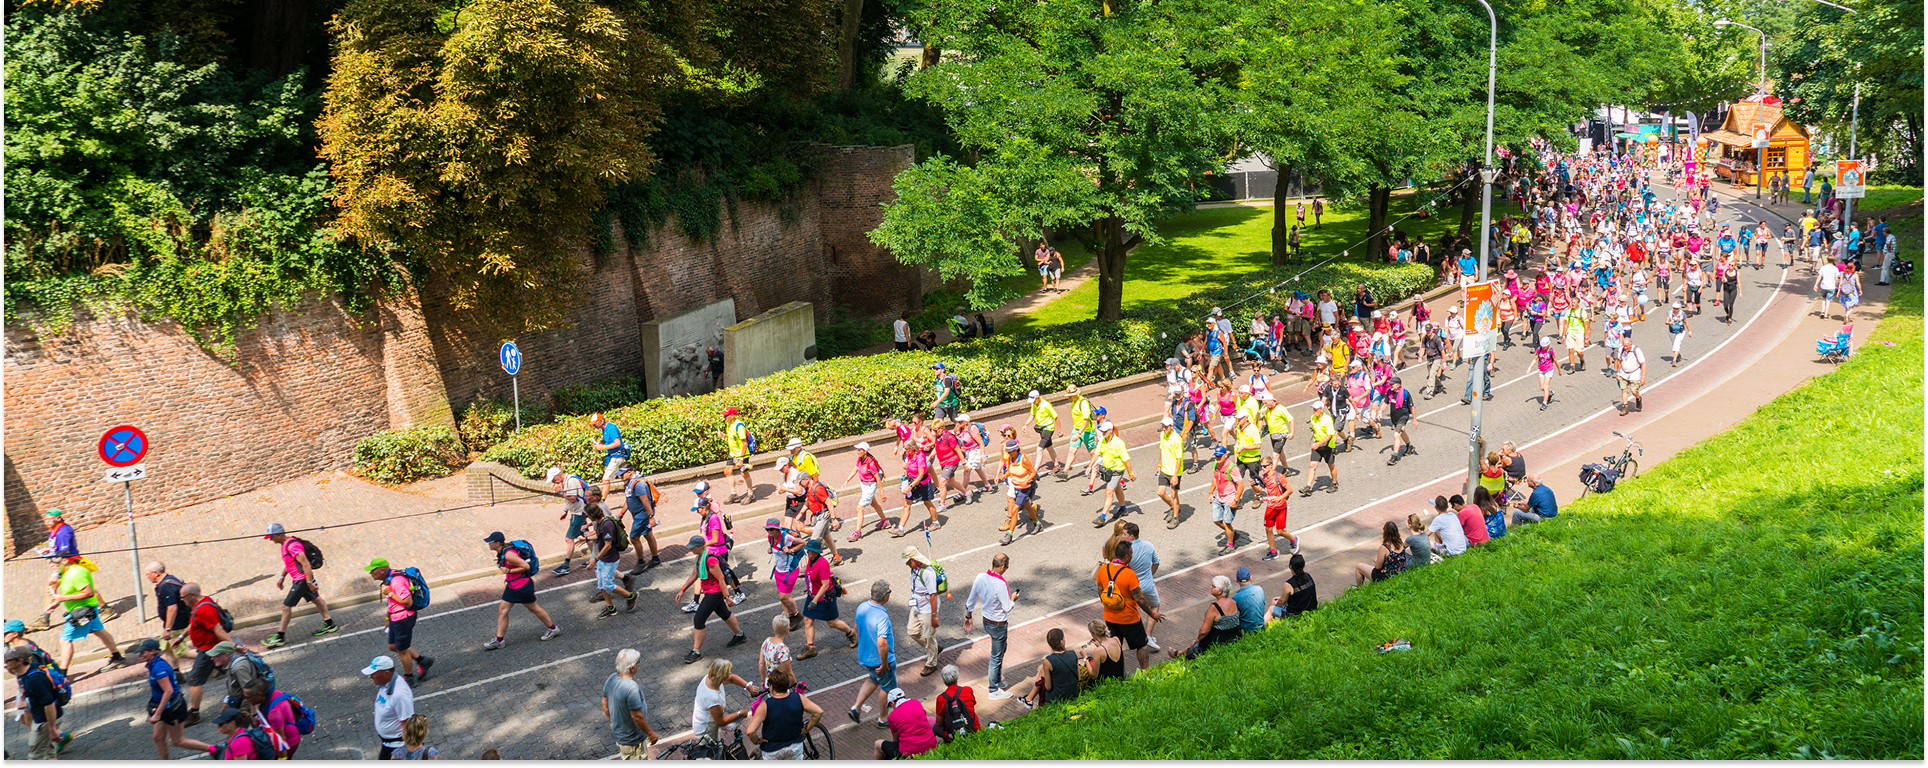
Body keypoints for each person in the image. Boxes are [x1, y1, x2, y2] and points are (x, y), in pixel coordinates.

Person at [257, 525, 337, 650]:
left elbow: (305, 564)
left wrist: (309, 583)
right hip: (300, 579)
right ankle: (330, 623)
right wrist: (282, 577)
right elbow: (289, 563)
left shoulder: (293, 546)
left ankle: (280, 637)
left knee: (285, 607)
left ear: (279, 535)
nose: (270, 540)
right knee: (316, 599)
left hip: (302, 580)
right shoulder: (284, 546)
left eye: (271, 537)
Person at [674, 532, 747, 664]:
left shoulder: (710, 559)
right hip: (709, 591)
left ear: (700, 547)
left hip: (715, 592)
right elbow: (694, 575)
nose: (690, 549)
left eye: (692, 547)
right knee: (724, 614)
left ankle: (696, 651)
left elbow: (721, 579)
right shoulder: (699, 557)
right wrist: (682, 590)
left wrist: (727, 597)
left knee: (699, 619)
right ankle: (740, 635)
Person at [45, 555, 126, 674]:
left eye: (54, 561)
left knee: (65, 640)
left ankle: (62, 675)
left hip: (83, 614)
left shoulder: (75, 574)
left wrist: (62, 597)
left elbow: (88, 593)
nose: (52, 564)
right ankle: (117, 658)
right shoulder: (65, 574)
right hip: (90, 611)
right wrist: (56, 602)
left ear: (65, 560)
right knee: (100, 631)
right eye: (50, 562)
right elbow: (71, 594)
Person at [481, 532, 560, 649]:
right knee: (503, 611)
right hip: (513, 586)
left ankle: (553, 629)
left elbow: (525, 566)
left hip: (521, 586)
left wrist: (508, 571)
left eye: (490, 542)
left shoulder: (509, 555)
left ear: (497, 543)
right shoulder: (502, 551)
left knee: (534, 609)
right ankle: (499, 640)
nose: (488, 544)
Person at [1095, 540, 1163, 673]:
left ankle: (1121, 673)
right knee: (1142, 645)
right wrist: (1152, 613)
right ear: (1126, 557)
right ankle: (1145, 673)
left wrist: (1109, 603)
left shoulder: (1103, 569)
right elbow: (1140, 599)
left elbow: (1099, 590)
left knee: (1115, 645)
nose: (1132, 555)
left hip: (1109, 617)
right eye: (1131, 553)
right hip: (1129, 618)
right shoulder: (1129, 574)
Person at [139, 638, 213, 759]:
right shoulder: (155, 664)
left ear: (152, 652)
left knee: (178, 741)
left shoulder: (158, 668)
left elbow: (168, 691)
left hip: (172, 708)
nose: (140, 655)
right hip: (163, 706)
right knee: (158, 738)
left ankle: (213, 749)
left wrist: (157, 714)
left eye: (143, 652)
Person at [367, 559, 433, 682]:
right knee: (393, 646)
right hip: (395, 617)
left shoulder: (396, 582)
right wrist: (388, 618)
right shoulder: (389, 579)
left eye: (372, 570)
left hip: (403, 618)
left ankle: (409, 678)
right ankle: (423, 661)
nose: (370, 573)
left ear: (381, 571)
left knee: (402, 649)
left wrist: (390, 593)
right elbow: (391, 602)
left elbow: (408, 602)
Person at [962, 554, 1018, 698]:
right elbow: (1007, 607)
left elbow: (972, 598)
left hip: (986, 621)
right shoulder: (1000, 584)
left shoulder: (980, 577)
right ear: (1002, 567)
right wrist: (1013, 599)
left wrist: (968, 616)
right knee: (996, 656)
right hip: (998, 624)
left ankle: (997, 679)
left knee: (1001, 649)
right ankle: (993, 689)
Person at [797, 539, 858, 658]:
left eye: (810, 550)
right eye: (807, 549)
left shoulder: (822, 564)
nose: (808, 552)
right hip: (812, 596)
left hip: (823, 599)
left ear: (817, 551)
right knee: (807, 621)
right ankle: (810, 648)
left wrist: (814, 601)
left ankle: (851, 633)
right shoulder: (811, 560)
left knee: (832, 623)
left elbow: (825, 585)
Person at [7, 645, 69, 760]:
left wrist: (52, 729)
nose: (6, 662)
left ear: (20, 661)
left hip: (44, 721)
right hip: (43, 718)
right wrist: (23, 699)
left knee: (35, 757)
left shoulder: (35, 679)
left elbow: (49, 704)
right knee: (50, 753)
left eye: (9, 660)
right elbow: (27, 687)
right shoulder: (30, 669)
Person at [747, 668, 821, 760]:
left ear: (772, 687)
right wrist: (806, 729)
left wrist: (758, 740)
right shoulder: (799, 698)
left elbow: (750, 731)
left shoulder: (765, 706)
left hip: (772, 750)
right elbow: (818, 712)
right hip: (795, 747)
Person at [851, 581, 897, 728]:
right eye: (889, 591)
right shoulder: (882, 616)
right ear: (884, 597)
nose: (890, 593)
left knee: (873, 679)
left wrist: (863, 646)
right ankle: (884, 719)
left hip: (866, 657)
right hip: (880, 660)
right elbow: (882, 643)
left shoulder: (861, 607)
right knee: (887, 688)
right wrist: (884, 664)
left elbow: (855, 629)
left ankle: (856, 707)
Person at [603, 649, 661, 760]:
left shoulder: (611, 678)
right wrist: (650, 734)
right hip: (633, 742)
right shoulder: (631, 687)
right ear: (632, 668)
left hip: (621, 737)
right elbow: (637, 716)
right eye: (638, 662)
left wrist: (611, 721)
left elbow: (604, 703)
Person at [587, 504, 638, 619]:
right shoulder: (601, 523)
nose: (587, 518)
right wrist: (586, 539)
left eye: (587, 516)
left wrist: (595, 559)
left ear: (591, 515)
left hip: (609, 560)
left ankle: (630, 596)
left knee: (607, 585)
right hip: (603, 559)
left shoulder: (606, 525)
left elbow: (608, 545)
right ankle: (611, 608)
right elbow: (600, 537)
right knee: (602, 584)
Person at [1172, 575, 1242, 660]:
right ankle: (1180, 653)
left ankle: (1179, 654)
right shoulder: (1233, 602)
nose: (1211, 587)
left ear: (1220, 591)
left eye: (1213, 586)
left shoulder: (1214, 607)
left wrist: (1197, 640)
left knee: (1194, 645)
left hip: (1217, 641)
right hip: (1233, 637)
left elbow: (1203, 632)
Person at [901, 547, 945, 677]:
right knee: (912, 631)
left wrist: (934, 615)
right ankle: (934, 648)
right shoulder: (914, 569)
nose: (907, 564)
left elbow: (933, 595)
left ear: (915, 559)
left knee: (928, 636)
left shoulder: (928, 573)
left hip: (927, 608)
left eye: (908, 561)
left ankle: (931, 663)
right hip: (917, 605)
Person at [1120, 523, 1163, 651]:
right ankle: (1148, 635)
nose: (1122, 536)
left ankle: (1135, 637)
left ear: (1132, 536)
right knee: (1154, 606)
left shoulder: (1125, 550)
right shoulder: (1148, 545)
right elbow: (1156, 562)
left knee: (1134, 611)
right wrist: (1150, 574)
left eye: (1124, 534)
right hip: (1148, 585)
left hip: (1133, 587)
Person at [691, 659, 756, 745]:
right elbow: (720, 721)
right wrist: (739, 713)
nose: (730, 675)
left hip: (708, 723)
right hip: (706, 730)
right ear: (722, 677)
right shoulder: (712, 697)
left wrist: (748, 686)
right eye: (728, 674)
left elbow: (732, 678)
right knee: (714, 753)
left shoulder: (711, 677)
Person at [1086, 422, 1136, 527]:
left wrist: (1130, 473)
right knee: (1117, 489)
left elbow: (1126, 459)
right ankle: (1123, 509)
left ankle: (1102, 517)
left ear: (1110, 431)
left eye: (1104, 431)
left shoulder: (1118, 443)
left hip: (1117, 471)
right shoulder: (1103, 441)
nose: (1102, 433)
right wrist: (1090, 466)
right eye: (1101, 431)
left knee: (1109, 492)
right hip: (1108, 470)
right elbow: (1097, 453)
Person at [1015, 628, 1081, 708]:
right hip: (1074, 694)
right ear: (1061, 641)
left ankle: (1029, 699)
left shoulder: (1048, 661)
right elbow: (1079, 678)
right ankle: (1028, 699)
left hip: (1057, 698)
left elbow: (1048, 687)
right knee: (1044, 671)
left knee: (1043, 674)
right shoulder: (1073, 654)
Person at [998, 439, 1044, 545]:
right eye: (1008, 452)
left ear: (1016, 449)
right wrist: (1005, 475)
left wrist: (1026, 481)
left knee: (1014, 510)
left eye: (1011, 452)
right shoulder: (1010, 459)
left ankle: (1009, 535)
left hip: (1025, 488)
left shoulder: (1023, 459)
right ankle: (1037, 524)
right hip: (1016, 487)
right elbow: (1010, 470)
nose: (1009, 454)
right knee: (1028, 507)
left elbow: (1032, 472)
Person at [241, 679, 300, 759]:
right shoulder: (274, 693)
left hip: (288, 743)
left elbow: (280, 741)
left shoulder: (274, 714)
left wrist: (282, 758)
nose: (246, 700)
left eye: (247, 698)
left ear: (258, 695)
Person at [145, 561, 190, 665]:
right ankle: (176, 674)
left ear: (155, 573)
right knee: (166, 648)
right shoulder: (169, 579)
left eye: (148, 574)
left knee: (180, 652)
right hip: (172, 622)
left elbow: (172, 608)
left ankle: (209, 660)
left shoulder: (166, 586)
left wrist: (168, 628)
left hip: (176, 624)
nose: (147, 577)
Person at [619, 469, 663, 575]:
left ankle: (640, 562)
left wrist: (650, 517)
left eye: (622, 474)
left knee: (634, 538)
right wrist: (621, 513)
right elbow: (628, 499)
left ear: (629, 472)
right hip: (638, 515)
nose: (620, 477)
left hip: (642, 515)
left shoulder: (638, 484)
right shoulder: (629, 483)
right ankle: (655, 559)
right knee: (648, 534)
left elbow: (645, 501)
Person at [874, 688, 938, 759]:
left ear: (892, 702)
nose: (892, 708)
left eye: (890, 706)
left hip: (910, 752)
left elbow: (896, 740)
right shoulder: (916, 702)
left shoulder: (892, 716)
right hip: (932, 745)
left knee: (878, 744)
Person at [844, 442, 890, 540]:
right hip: (863, 484)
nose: (857, 452)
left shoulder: (870, 462)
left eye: (859, 450)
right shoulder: (860, 459)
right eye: (857, 450)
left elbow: (877, 478)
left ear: (865, 451)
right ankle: (885, 522)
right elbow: (854, 470)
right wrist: (846, 481)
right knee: (874, 504)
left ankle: (858, 533)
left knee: (859, 508)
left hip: (870, 486)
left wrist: (881, 492)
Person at [717, 407, 757, 505]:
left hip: (742, 454)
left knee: (744, 473)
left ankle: (751, 495)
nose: (724, 417)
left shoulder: (739, 426)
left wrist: (741, 459)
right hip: (732, 453)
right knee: (727, 471)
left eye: (726, 416)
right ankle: (734, 495)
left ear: (732, 416)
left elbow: (744, 444)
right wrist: (723, 436)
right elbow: (731, 437)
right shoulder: (729, 424)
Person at [931, 664, 981, 742]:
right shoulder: (968, 690)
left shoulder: (941, 698)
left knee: (936, 728)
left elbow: (939, 723)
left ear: (943, 680)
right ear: (957, 677)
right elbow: (972, 705)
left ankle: (948, 744)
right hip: (973, 729)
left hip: (954, 733)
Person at [589, 412, 631, 496]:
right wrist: (601, 442)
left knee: (606, 479)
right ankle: (631, 497)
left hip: (617, 456)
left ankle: (602, 502)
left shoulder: (611, 428)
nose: (594, 426)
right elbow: (609, 439)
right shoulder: (604, 429)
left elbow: (617, 443)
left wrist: (603, 447)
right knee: (624, 478)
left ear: (601, 421)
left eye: (595, 424)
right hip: (615, 456)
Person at [1302, 401, 1339, 495]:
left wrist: (1319, 444)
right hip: (1317, 445)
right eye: (1313, 408)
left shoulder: (1327, 419)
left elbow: (1329, 436)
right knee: (1312, 466)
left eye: (1316, 409)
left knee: (1331, 465)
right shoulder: (1312, 418)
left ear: (1322, 410)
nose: (1314, 410)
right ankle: (1308, 487)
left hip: (1328, 446)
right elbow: (1314, 429)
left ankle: (1334, 484)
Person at [1269, 554, 1319, 621]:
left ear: (1290, 566)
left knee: (1271, 608)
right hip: (1311, 609)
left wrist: (1275, 602)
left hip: (1295, 615)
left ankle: (1260, 629)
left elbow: (1281, 602)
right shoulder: (1308, 576)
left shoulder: (1289, 584)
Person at [1025, 390, 1061, 475]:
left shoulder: (1046, 405)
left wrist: (1059, 430)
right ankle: (1057, 465)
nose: (1032, 403)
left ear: (1037, 398)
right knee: (1049, 447)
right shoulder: (1034, 404)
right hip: (1041, 429)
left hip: (1048, 429)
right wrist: (1026, 424)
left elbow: (1056, 417)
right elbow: (1032, 414)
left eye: (1033, 400)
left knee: (1039, 449)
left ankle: (1034, 471)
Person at [1616, 333, 1646, 415]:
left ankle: (1638, 398)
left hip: (1634, 373)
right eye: (1624, 346)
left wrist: (1643, 377)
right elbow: (1619, 361)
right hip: (1624, 373)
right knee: (1624, 390)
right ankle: (1625, 407)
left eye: (1627, 346)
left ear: (1630, 344)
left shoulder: (1637, 350)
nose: (1625, 348)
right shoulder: (1621, 350)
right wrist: (1618, 373)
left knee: (1633, 391)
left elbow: (1643, 364)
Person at [1231, 568, 1267, 633]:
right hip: (1260, 627)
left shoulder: (1235, 598)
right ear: (1250, 578)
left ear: (1236, 580)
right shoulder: (1259, 589)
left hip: (1246, 630)